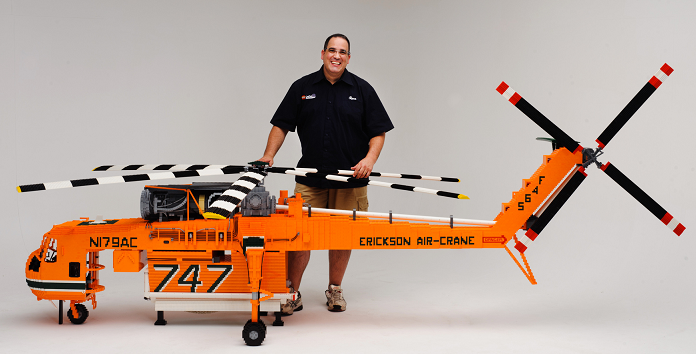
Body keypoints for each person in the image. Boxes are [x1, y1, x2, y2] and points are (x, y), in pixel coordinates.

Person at [257, 33, 393, 314]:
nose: (337, 56)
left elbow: (378, 133)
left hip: (350, 180)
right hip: (310, 179)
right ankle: (291, 292)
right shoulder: (303, 87)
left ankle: (335, 290)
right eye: (332, 50)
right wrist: (269, 155)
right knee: (297, 237)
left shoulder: (362, 90)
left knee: (342, 238)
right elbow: (281, 125)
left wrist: (369, 159)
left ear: (348, 58)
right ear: (322, 54)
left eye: (342, 52)